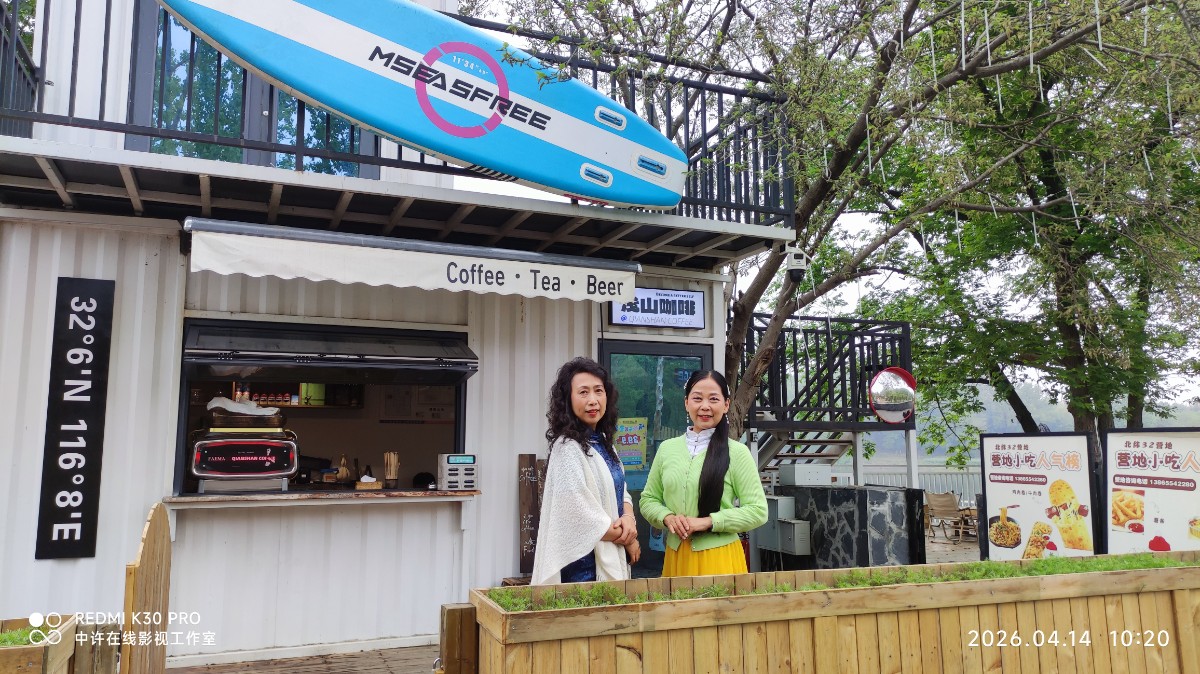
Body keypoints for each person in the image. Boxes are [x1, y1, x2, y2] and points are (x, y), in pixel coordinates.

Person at [639, 370, 767, 576]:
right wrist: (667, 517)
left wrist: (708, 522)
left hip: (720, 560)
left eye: (713, 399)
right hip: (676, 556)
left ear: (726, 405)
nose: (705, 406)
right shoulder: (667, 449)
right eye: (697, 398)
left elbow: (758, 510)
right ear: (686, 403)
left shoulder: (737, 452)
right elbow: (648, 499)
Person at [531, 357, 640, 585]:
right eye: (583, 392)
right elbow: (578, 515)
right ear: (567, 399)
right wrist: (628, 539)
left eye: (598, 391)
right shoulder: (567, 448)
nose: (593, 400)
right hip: (584, 571)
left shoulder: (603, 443)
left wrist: (629, 518)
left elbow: (621, 491)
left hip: (610, 553)